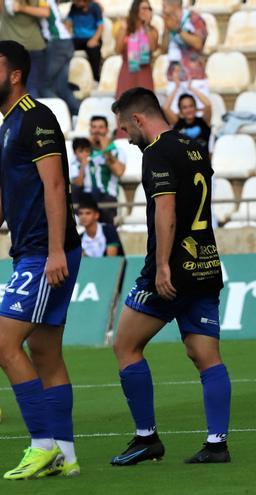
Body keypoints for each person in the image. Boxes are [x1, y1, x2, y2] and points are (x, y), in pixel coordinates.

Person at [0, 41, 83, 479]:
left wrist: (52, 252)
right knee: (45, 353)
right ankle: (65, 455)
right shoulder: (8, 125)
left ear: (14, 75)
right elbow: (0, 196)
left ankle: (41, 444)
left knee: (4, 344)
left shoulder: (37, 119)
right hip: (33, 252)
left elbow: (54, 186)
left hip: (45, 254)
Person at [110, 87, 230, 465]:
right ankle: (216, 444)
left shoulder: (157, 152)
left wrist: (161, 266)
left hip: (171, 271)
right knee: (205, 355)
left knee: (125, 345)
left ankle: (147, 438)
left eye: (126, 129)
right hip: (206, 264)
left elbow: (166, 211)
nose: (126, 138)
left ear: (139, 119)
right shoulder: (195, 146)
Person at [162, 0, 209, 113]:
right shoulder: (168, 21)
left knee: (198, 119)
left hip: (194, 79)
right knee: (175, 123)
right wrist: (167, 30)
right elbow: (164, 49)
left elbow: (198, 43)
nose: (162, 9)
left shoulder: (194, 19)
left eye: (164, 5)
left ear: (174, 4)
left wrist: (177, 30)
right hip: (175, 78)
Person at [0, 0, 49, 98]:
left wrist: (21, 8)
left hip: (13, 49)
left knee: (13, 89)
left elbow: (45, 12)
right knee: (34, 88)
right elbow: (45, 12)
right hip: (34, 46)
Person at [85, 115, 126, 224]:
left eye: (100, 127)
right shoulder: (82, 152)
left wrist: (105, 150)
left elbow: (119, 172)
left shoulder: (117, 151)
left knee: (104, 209)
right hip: (87, 196)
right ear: (90, 130)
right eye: (94, 127)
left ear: (107, 130)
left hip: (108, 197)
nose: (97, 131)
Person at [41, 0, 79, 114]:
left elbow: (45, 13)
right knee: (62, 87)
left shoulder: (43, 2)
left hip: (58, 43)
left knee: (44, 85)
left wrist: (20, 8)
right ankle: (77, 114)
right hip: (65, 42)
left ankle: (58, 115)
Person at [115, 0, 158, 99]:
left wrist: (146, 26)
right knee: (126, 105)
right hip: (128, 71)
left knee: (145, 104)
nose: (146, 11)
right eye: (144, 8)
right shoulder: (126, 29)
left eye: (148, 9)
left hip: (144, 72)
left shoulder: (152, 30)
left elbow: (153, 48)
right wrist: (123, 29)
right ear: (136, 10)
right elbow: (117, 50)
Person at [163, 82, 212, 151]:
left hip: (201, 160)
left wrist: (191, 88)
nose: (188, 110)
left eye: (191, 106)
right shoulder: (177, 122)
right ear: (180, 111)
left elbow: (208, 105)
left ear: (195, 107)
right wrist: (176, 87)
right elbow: (165, 108)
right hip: (182, 160)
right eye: (184, 107)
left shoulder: (204, 121)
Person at [65, 0, 103, 82]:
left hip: (92, 37)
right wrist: (65, 37)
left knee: (94, 50)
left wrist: (94, 39)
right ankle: (66, 78)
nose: (76, 3)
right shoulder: (74, 7)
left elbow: (100, 26)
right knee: (64, 48)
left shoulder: (95, 7)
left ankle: (96, 78)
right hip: (77, 39)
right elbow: (68, 23)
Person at [69, 136, 90, 202]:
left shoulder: (94, 161)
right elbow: (78, 184)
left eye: (87, 151)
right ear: (75, 152)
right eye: (81, 151)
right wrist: (82, 166)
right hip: (82, 194)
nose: (84, 154)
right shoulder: (73, 165)